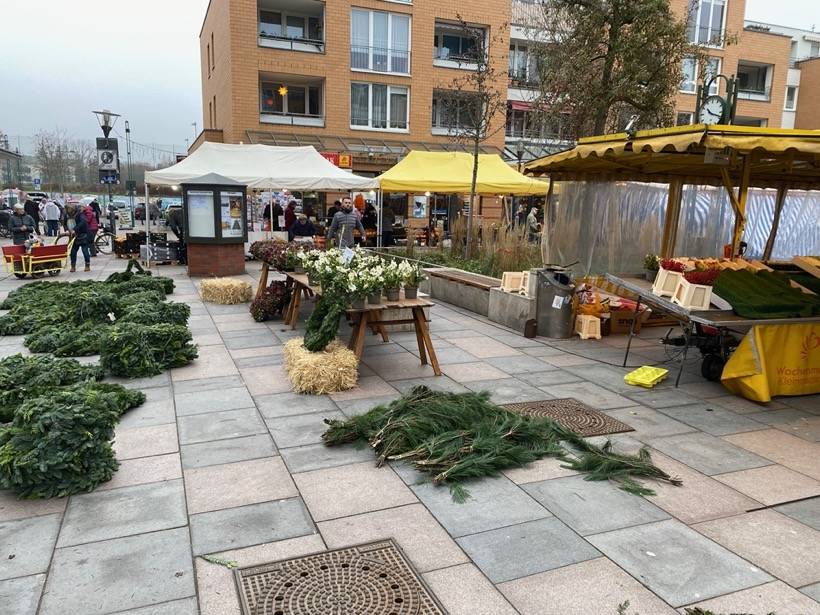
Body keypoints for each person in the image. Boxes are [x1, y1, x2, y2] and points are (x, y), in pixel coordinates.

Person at [66, 204, 91, 272]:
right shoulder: (67, 216)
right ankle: (73, 266)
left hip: (82, 234)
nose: (69, 211)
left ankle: (87, 265)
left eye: (70, 210)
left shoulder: (80, 214)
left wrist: (75, 229)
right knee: (73, 252)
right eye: (68, 210)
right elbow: (65, 223)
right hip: (74, 236)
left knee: (85, 251)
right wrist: (67, 229)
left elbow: (83, 222)